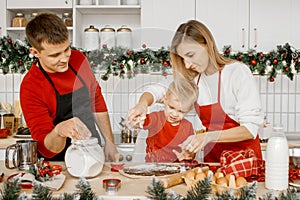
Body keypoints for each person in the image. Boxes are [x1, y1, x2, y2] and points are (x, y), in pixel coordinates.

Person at [126, 20, 264, 163]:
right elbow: (158, 90)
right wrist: (142, 104)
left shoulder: (237, 73)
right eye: (183, 58)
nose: (187, 64)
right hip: (213, 161)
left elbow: (250, 129)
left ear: (206, 45)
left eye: (190, 55)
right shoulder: (193, 78)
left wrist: (207, 137)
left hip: (246, 161)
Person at [20, 13, 117, 161]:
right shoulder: (30, 87)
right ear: (35, 53)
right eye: (55, 55)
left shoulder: (78, 59)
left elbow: (96, 101)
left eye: (67, 49)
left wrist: (110, 143)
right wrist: (59, 131)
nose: (64, 59)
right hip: (58, 163)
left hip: (93, 153)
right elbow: (44, 148)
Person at [138, 80, 198, 162]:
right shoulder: (156, 118)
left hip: (177, 168)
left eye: (181, 111)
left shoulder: (188, 127)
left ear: (189, 109)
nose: (175, 114)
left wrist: (189, 154)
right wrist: (137, 119)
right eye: (171, 107)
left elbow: (191, 152)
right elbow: (141, 121)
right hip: (153, 167)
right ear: (165, 100)